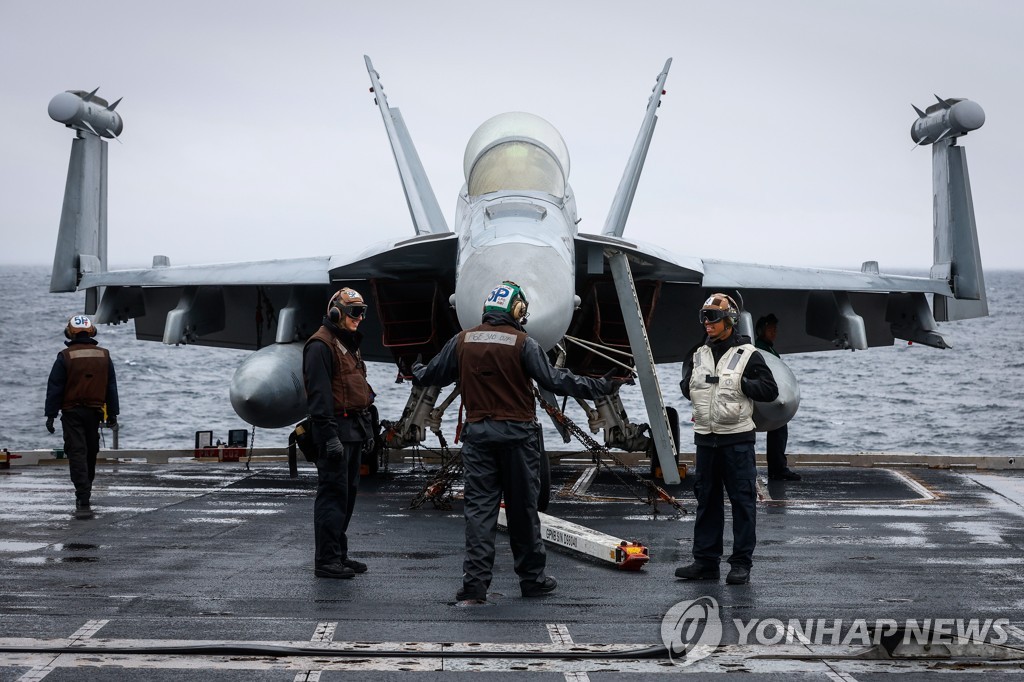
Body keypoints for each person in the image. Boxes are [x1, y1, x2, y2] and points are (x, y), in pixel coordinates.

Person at [412, 281, 624, 604]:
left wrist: (416, 369)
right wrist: (600, 386)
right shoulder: (524, 344)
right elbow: (555, 381)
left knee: (479, 514)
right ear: (517, 310)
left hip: (478, 439)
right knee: (523, 512)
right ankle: (532, 580)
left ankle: (474, 586)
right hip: (518, 440)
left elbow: (432, 375)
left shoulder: (462, 340)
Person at [675, 294, 778, 585]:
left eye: (713, 318)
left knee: (742, 502)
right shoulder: (699, 354)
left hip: (737, 440)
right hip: (705, 440)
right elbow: (689, 386)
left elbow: (770, 390)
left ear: (729, 320)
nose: (707, 323)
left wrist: (741, 384)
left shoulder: (748, 355)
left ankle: (741, 564)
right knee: (707, 501)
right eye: (704, 317)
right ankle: (705, 562)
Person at [303, 288, 376, 579]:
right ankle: (326, 560)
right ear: (336, 313)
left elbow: (356, 388)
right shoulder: (320, 346)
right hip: (335, 432)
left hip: (353, 431)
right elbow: (319, 399)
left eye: (362, 312)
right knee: (332, 497)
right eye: (354, 312)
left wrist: (367, 431)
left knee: (347, 497)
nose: (359, 318)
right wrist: (330, 436)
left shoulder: (347, 343)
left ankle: (339, 554)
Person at [45, 314, 119, 519]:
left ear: (70, 332)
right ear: (92, 331)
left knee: (77, 451)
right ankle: (87, 488)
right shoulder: (104, 355)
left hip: (71, 412)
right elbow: (111, 387)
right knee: (90, 451)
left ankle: (82, 493)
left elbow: (55, 388)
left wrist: (50, 415)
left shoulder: (65, 356)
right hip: (94, 412)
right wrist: (112, 413)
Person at [755, 313, 800, 481]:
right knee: (778, 429)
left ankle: (778, 467)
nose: (774, 333)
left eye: (775, 329)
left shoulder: (769, 349)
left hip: (770, 395)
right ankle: (777, 468)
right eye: (770, 330)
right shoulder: (759, 348)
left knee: (779, 428)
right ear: (761, 331)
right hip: (762, 395)